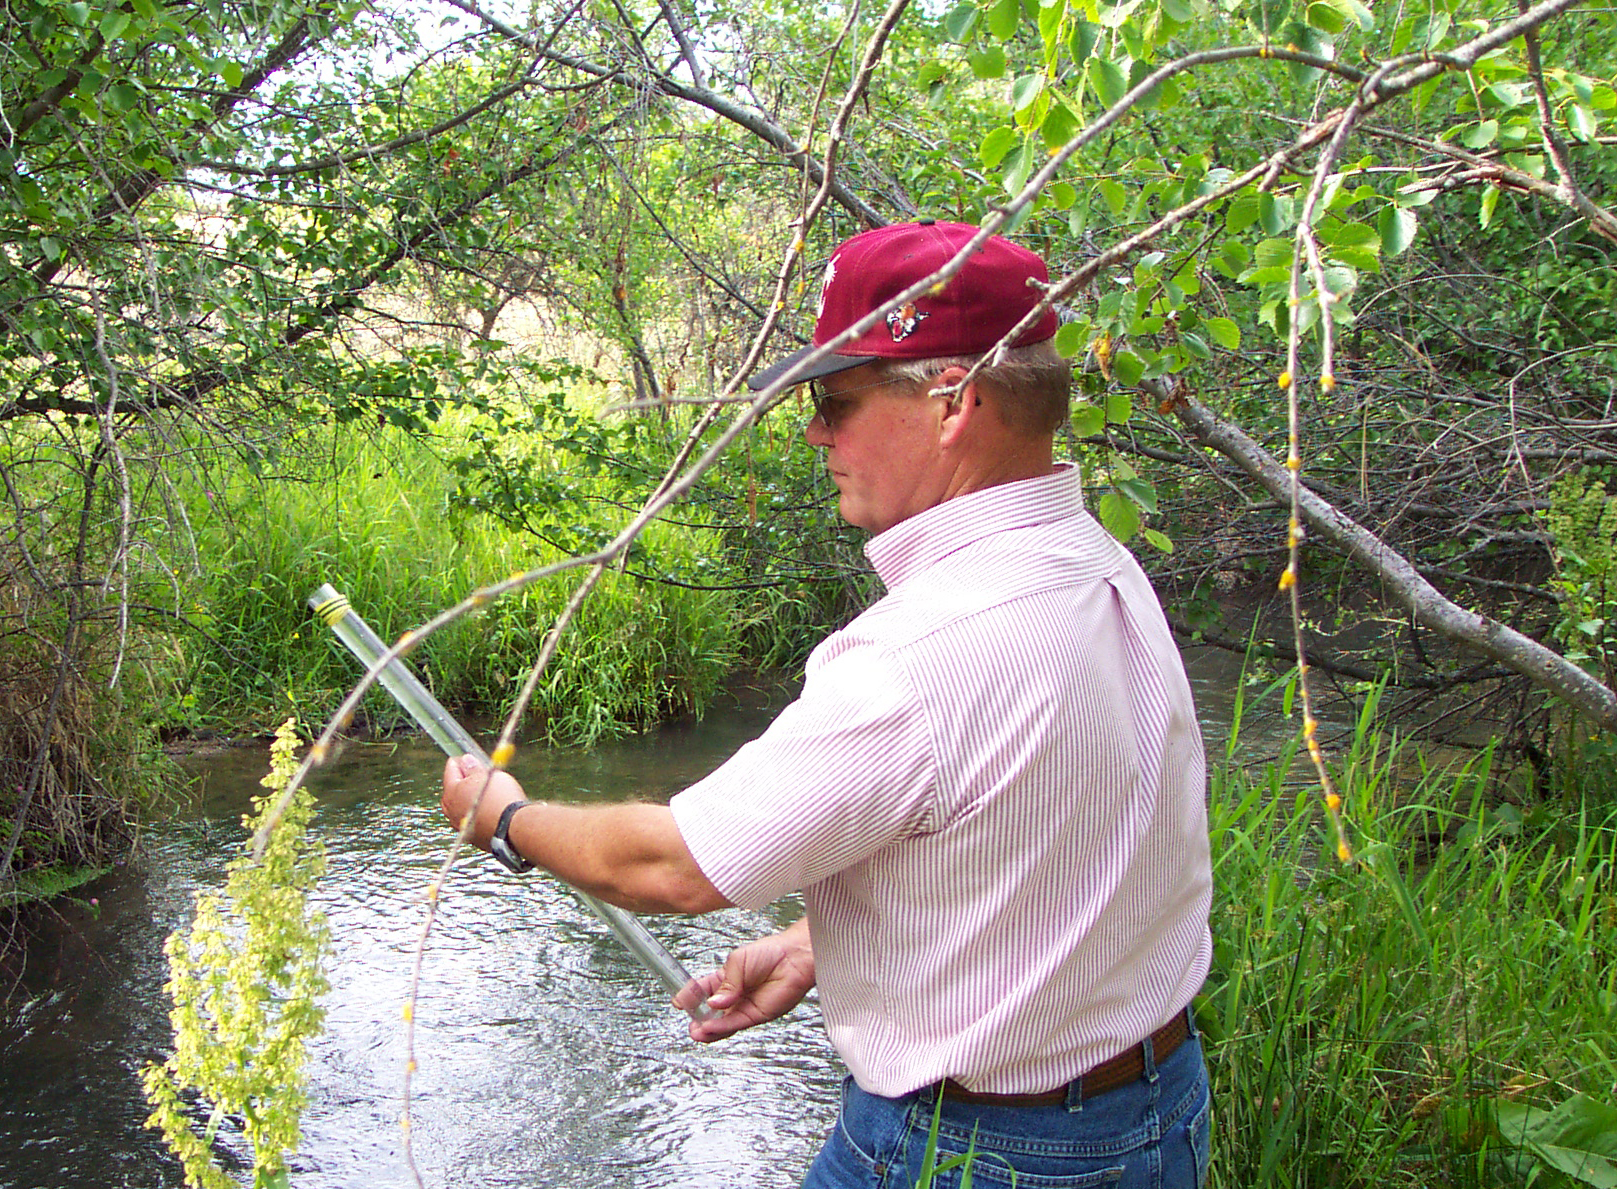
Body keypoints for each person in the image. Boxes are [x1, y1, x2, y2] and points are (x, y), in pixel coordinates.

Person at [440, 220, 1213, 1189]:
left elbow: (672, 866)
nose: (814, 431)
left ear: (951, 401)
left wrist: (502, 819)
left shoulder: (915, 654)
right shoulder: (1097, 564)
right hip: (1156, 1111)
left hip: (976, 1153)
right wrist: (818, 942)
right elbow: (1067, 844)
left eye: (832, 400)